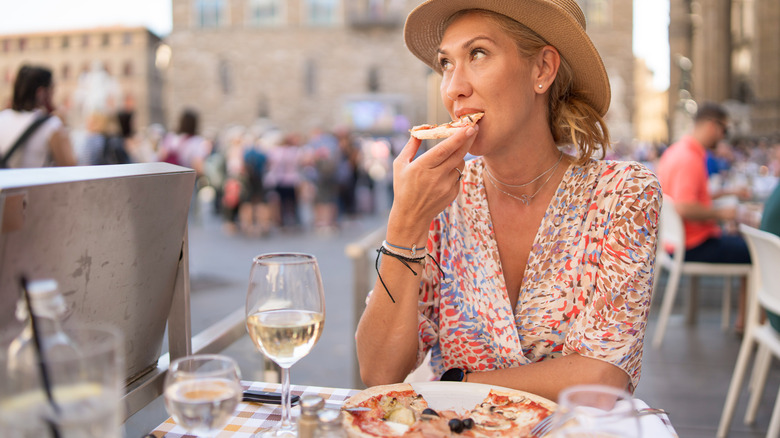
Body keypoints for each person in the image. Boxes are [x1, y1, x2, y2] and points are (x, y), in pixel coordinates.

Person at [355, 0, 661, 402]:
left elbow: (601, 381)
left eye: (477, 54)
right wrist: (404, 223)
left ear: (542, 70)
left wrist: (454, 386)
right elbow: (379, 372)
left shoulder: (624, 195)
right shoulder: (442, 199)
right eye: (446, 63)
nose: (452, 88)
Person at [655, 102, 752, 331]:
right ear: (712, 126)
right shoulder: (690, 158)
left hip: (677, 242)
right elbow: (685, 206)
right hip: (694, 244)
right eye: (724, 130)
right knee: (754, 252)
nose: (724, 136)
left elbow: (692, 197)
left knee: (743, 244)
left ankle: (744, 321)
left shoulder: (677, 151)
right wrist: (722, 213)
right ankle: (748, 325)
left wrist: (727, 194)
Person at [0, 65, 76, 168]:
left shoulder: (2, 118)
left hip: (6, 183)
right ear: (41, 93)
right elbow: (70, 164)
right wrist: (63, 125)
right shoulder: (52, 125)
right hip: (36, 183)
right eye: (52, 89)